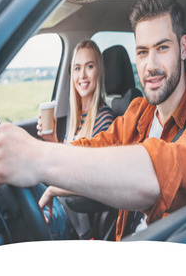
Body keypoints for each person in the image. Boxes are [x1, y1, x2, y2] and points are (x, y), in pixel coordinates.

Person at [0, 0, 186, 241]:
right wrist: (52, 179)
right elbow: (96, 148)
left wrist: (37, 157)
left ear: (184, 47)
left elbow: (162, 172)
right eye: (143, 52)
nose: (150, 65)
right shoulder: (139, 110)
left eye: (163, 47)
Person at [35, 40, 115, 239]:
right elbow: (68, 165)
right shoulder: (78, 118)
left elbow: (92, 178)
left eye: (90, 66)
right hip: (64, 208)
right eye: (77, 68)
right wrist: (51, 138)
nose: (83, 75)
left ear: (99, 71)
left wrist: (51, 191)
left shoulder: (105, 120)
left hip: (78, 220)